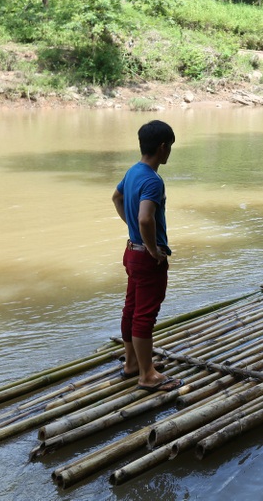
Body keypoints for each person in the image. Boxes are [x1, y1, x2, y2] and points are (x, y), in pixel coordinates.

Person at [111, 120, 183, 393]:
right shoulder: (153, 180)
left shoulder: (133, 171)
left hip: (131, 252)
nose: (169, 152)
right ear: (163, 147)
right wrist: (153, 249)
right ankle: (147, 375)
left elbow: (116, 198)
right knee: (144, 316)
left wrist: (133, 229)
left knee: (131, 309)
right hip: (146, 257)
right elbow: (145, 218)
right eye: (170, 147)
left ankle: (132, 364)